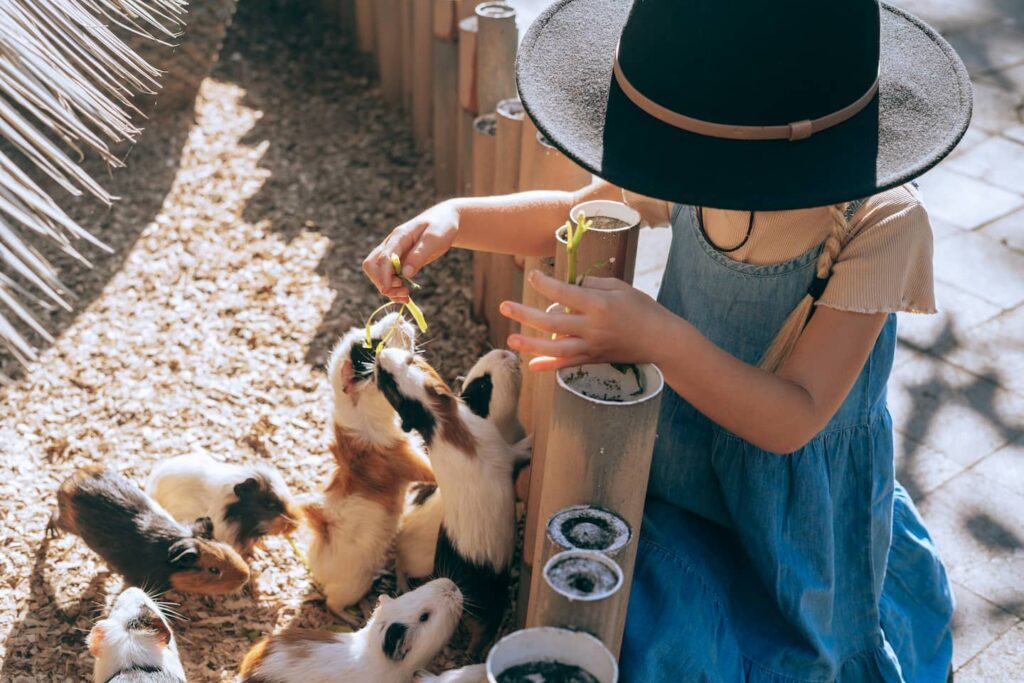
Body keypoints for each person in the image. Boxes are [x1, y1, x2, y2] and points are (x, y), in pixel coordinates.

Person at [363, 1, 971, 680]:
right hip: (687, 471)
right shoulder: (699, 154)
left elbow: (792, 417)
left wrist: (654, 335)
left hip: (799, 516)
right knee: (652, 630)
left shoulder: (882, 219)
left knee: (794, 653)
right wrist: (455, 218)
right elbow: (574, 214)